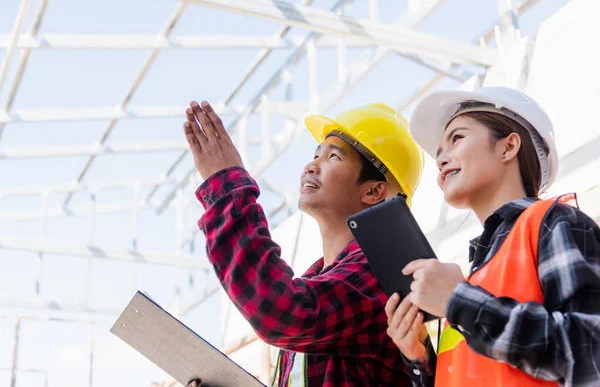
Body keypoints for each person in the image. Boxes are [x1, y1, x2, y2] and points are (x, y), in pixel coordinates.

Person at [181, 100, 428, 386]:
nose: (311, 166)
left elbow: (284, 310)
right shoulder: (317, 282)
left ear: (374, 190)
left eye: (333, 157)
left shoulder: (380, 274)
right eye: (316, 154)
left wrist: (227, 189)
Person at [385, 86, 600, 386]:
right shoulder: (474, 278)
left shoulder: (553, 224)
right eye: (439, 153)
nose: (441, 159)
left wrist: (458, 301)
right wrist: (419, 358)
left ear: (508, 147)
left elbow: (590, 353)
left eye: (457, 138)